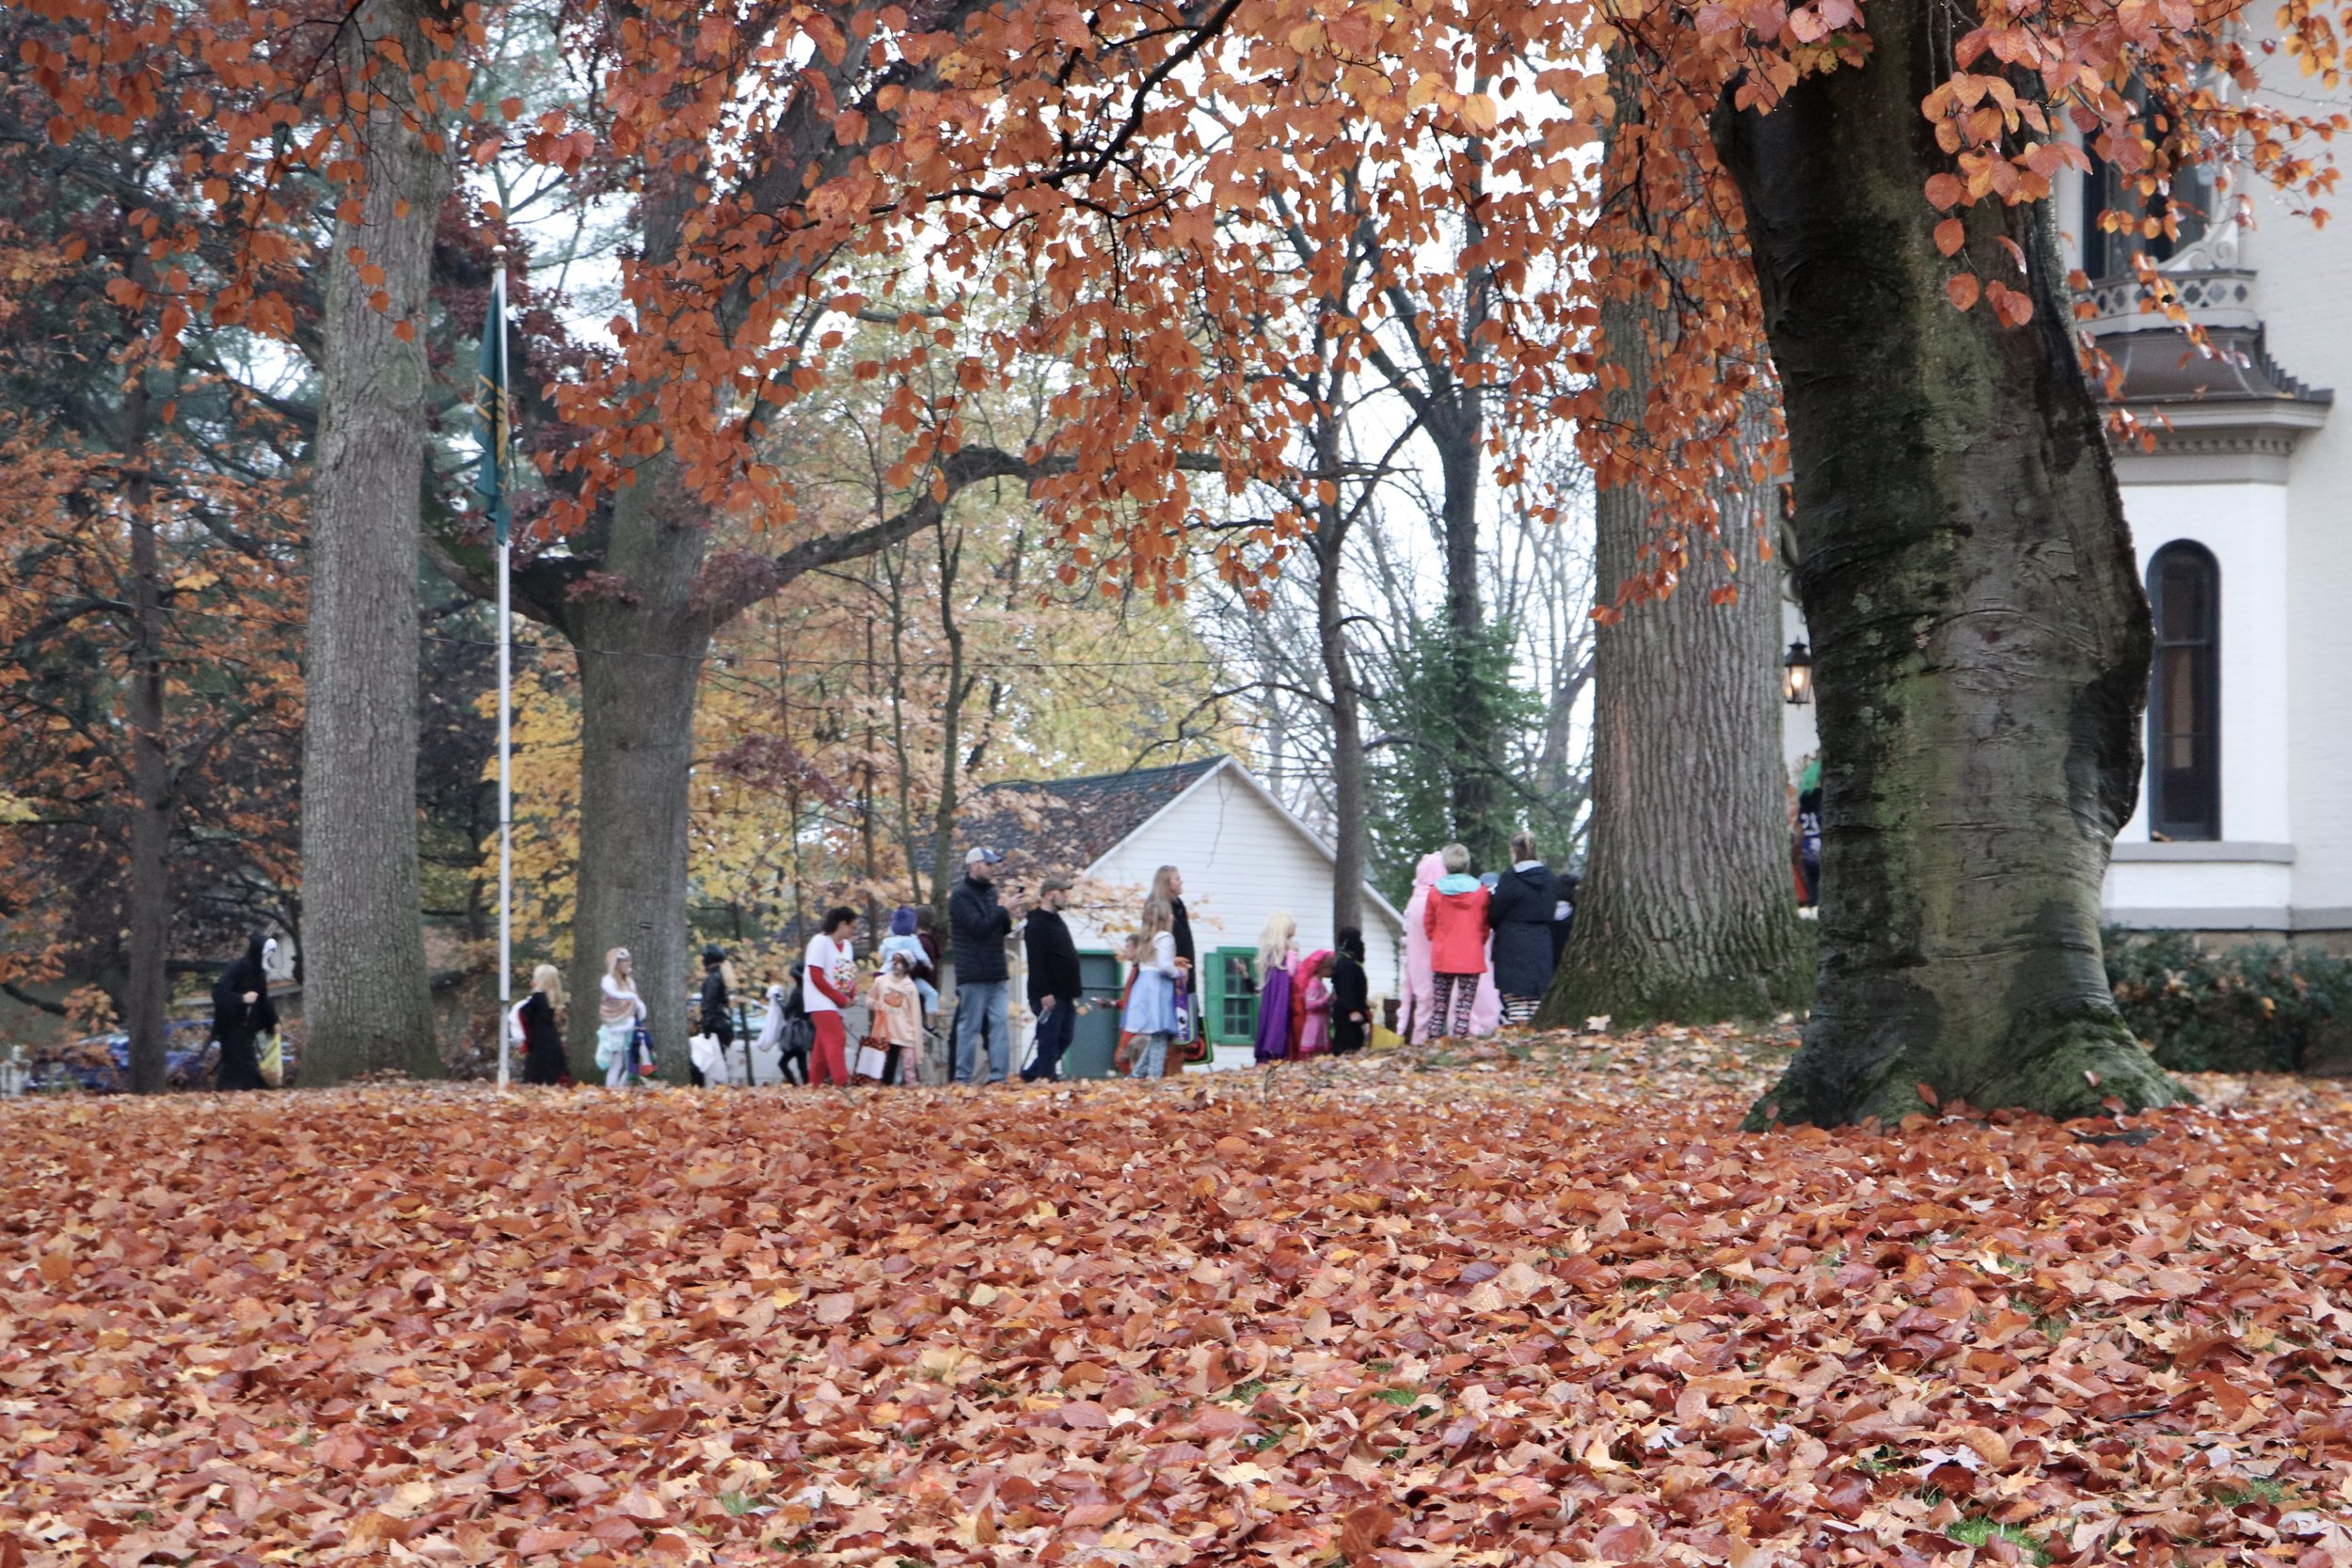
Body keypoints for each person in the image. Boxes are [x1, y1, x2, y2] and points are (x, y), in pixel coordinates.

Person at [949, 847, 1015, 1083]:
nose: (992, 869)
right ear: (974, 865)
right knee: (970, 1027)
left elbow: (999, 927)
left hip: (996, 969)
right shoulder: (960, 895)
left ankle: (999, 1077)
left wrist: (1007, 914)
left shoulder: (990, 893)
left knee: (999, 1025)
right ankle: (962, 1078)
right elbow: (978, 928)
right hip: (973, 971)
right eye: (988, 864)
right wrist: (1002, 910)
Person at [1488, 832, 1561, 1025]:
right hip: (1542, 940)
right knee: (1536, 997)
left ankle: (1520, 1039)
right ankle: (1535, 1037)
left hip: (1513, 941)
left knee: (1516, 997)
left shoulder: (1510, 878)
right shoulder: (1550, 879)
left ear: (1513, 851)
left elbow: (1496, 912)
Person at [1423, 843, 1491, 1040]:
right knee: (1464, 1008)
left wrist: (1436, 940)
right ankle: (1459, 1042)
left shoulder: (1435, 892)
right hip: (1471, 955)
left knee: (1439, 1006)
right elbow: (1484, 925)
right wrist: (1479, 942)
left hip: (1443, 953)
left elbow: (1429, 923)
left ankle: (1433, 1041)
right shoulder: (1480, 892)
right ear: (1467, 864)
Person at [1023, 875, 1083, 1082]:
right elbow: (1036, 960)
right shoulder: (1037, 924)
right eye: (1062, 892)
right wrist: (1044, 992)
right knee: (1049, 1038)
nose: (1066, 896)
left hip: (1065, 992)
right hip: (1049, 994)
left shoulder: (1057, 922)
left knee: (1065, 1037)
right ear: (1049, 894)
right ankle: (1045, 1078)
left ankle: (1033, 1075)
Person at [1120, 896, 1185, 1077]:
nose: (1173, 917)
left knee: (1156, 1036)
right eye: (1170, 914)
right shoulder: (1165, 938)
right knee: (1160, 1035)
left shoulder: (1146, 940)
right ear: (1165, 918)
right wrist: (1179, 973)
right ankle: (1154, 1076)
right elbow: (1165, 966)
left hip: (1145, 986)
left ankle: (1137, 1075)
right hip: (1159, 988)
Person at [211, 933, 276, 1091]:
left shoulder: (259, 973)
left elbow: (263, 1000)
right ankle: (254, 1091)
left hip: (247, 1028)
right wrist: (241, 998)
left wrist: (273, 1022)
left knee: (240, 1063)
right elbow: (219, 993)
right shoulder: (237, 968)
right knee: (239, 1062)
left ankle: (231, 1092)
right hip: (229, 1025)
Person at [803, 907, 860, 1085]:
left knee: (821, 1047)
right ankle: (842, 1083)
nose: (854, 931)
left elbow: (846, 972)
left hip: (837, 1000)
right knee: (837, 1038)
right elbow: (816, 977)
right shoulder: (820, 942)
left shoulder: (847, 946)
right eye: (853, 927)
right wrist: (840, 999)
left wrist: (851, 994)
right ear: (842, 924)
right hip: (819, 999)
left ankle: (815, 1086)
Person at [1153, 865, 1200, 1074]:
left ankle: (1176, 1070)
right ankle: (1166, 1073)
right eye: (1177, 879)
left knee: (1185, 1028)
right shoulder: (1161, 910)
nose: (1181, 882)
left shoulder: (1179, 907)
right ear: (1167, 883)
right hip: (1171, 979)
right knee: (1171, 1029)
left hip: (1185, 976)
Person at [870, 951, 924, 1085]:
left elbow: (916, 1015)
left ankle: (913, 1096)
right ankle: (883, 1093)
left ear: (907, 966)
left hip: (905, 1034)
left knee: (909, 1068)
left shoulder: (910, 988)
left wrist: (916, 1040)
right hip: (885, 1032)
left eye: (899, 961)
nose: (895, 964)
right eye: (894, 960)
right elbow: (870, 998)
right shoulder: (881, 981)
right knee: (883, 1067)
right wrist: (874, 1004)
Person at [596, 947, 647, 1086]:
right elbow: (615, 995)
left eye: (629, 960)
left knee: (631, 1063)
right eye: (625, 961)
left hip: (630, 1026)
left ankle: (621, 1090)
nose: (629, 963)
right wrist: (631, 997)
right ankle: (612, 1092)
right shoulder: (608, 980)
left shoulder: (629, 982)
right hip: (615, 1026)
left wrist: (639, 1007)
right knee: (616, 1064)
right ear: (616, 963)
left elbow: (635, 1001)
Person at [877, 907, 940, 1020]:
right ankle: (930, 1024)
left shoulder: (888, 941)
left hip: (889, 976)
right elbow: (921, 956)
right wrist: (928, 964)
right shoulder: (914, 941)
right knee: (931, 994)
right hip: (907, 978)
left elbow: (881, 955)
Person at [1251, 911, 1298, 1062]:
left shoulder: (1272, 955)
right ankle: (1276, 1048)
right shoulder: (1283, 954)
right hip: (1285, 999)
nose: (1295, 926)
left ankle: (1270, 1047)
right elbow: (1291, 974)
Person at [517, 964, 569, 1085]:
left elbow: (523, 1014)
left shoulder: (537, 998)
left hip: (539, 1042)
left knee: (534, 1077)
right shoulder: (551, 999)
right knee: (554, 1076)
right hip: (552, 1041)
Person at [693, 943, 735, 1086]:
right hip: (721, 1024)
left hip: (715, 1025)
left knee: (711, 1062)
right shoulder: (720, 977)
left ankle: (719, 1094)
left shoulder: (713, 979)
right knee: (718, 1060)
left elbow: (709, 1004)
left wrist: (706, 1026)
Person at [1329, 927, 1370, 1054]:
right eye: (1359, 940)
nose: (1362, 944)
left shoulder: (1347, 963)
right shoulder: (1348, 966)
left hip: (1348, 1012)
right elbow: (1348, 989)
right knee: (1347, 1047)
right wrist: (1353, 1010)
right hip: (1347, 1015)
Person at [1295, 950, 1332, 1056]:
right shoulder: (1314, 984)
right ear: (1320, 969)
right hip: (1314, 1024)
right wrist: (1326, 999)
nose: (1331, 971)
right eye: (1329, 968)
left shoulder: (1320, 983)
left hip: (1321, 1022)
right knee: (1313, 1054)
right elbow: (1309, 1005)